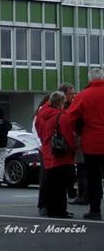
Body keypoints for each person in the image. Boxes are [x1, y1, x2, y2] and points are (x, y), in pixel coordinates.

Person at [62, 68, 104, 220]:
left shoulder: (83, 96)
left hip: (92, 142)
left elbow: (68, 118)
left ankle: (95, 210)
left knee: (94, 178)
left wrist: (75, 134)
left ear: (90, 79)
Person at [36, 91, 74, 218]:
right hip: (61, 155)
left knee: (51, 184)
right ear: (60, 103)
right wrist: (73, 148)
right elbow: (68, 136)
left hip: (48, 152)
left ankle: (51, 209)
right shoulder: (61, 116)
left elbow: (39, 132)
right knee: (61, 186)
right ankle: (60, 210)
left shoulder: (41, 116)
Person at [33, 94, 51, 216]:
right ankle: (43, 205)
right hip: (44, 147)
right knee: (45, 176)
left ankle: (46, 204)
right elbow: (35, 130)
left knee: (47, 177)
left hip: (45, 147)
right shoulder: (41, 113)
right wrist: (40, 144)